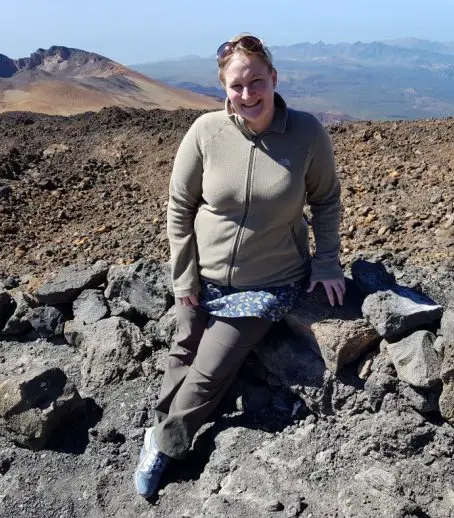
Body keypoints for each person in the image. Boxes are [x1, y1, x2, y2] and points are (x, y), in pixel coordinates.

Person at [134, 33, 345, 498]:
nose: (248, 94)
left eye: (256, 82)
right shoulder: (206, 131)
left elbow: (326, 201)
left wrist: (327, 263)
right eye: (236, 86)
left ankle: (164, 444)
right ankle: (159, 422)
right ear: (223, 89)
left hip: (267, 283)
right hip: (202, 272)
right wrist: (184, 276)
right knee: (184, 347)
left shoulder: (307, 132)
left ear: (273, 78)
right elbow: (179, 207)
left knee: (210, 370)